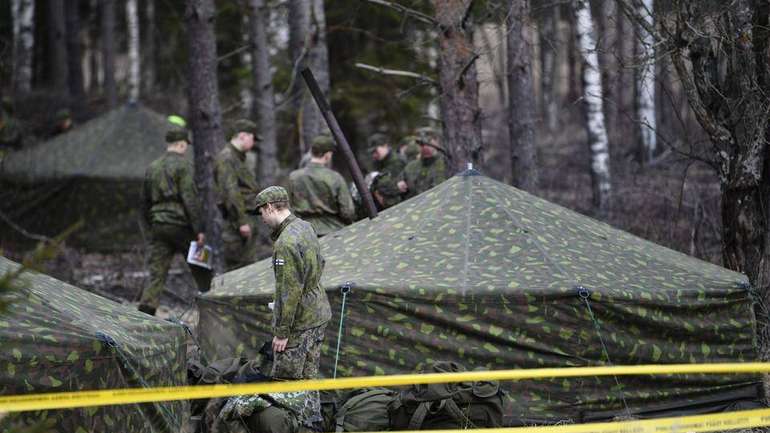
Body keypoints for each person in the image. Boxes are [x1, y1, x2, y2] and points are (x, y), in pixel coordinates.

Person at [255, 185, 331, 430]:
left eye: (261, 213)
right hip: (318, 311)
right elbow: (320, 263)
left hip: (299, 321)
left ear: (269, 207)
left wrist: (281, 332)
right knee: (309, 376)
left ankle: (292, 426)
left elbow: (290, 292)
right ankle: (313, 424)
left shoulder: (285, 243)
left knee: (287, 382)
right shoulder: (305, 227)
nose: (262, 219)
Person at [138, 117, 211, 316]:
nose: (186, 148)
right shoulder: (184, 166)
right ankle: (212, 306)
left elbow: (144, 203)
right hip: (181, 227)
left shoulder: (152, 167)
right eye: (185, 145)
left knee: (157, 274)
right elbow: (190, 199)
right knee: (202, 268)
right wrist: (200, 230)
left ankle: (145, 313)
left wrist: (150, 229)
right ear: (180, 144)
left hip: (158, 226)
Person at [214, 119, 262, 270]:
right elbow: (230, 191)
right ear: (242, 136)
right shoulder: (227, 158)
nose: (253, 143)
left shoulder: (237, 158)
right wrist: (241, 221)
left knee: (249, 268)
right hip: (237, 223)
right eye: (252, 138)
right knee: (239, 270)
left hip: (247, 219)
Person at [288, 134, 355, 237]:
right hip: (333, 232)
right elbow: (347, 212)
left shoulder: (294, 177)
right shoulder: (335, 178)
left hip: (304, 233)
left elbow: (290, 207)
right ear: (327, 155)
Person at [397, 127, 449, 199]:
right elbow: (398, 188)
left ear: (437, 142)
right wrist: (399, 187)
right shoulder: (410, 167)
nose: (425, 147)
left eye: (428, 143)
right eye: (421, 144)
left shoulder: (448, 164)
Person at [368, 132, 404, 210]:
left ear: (385, 146)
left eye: (376, 151)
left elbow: (392, 186)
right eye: (372, 153)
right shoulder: (379, 163)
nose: (374, 155)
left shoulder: (396, 162)